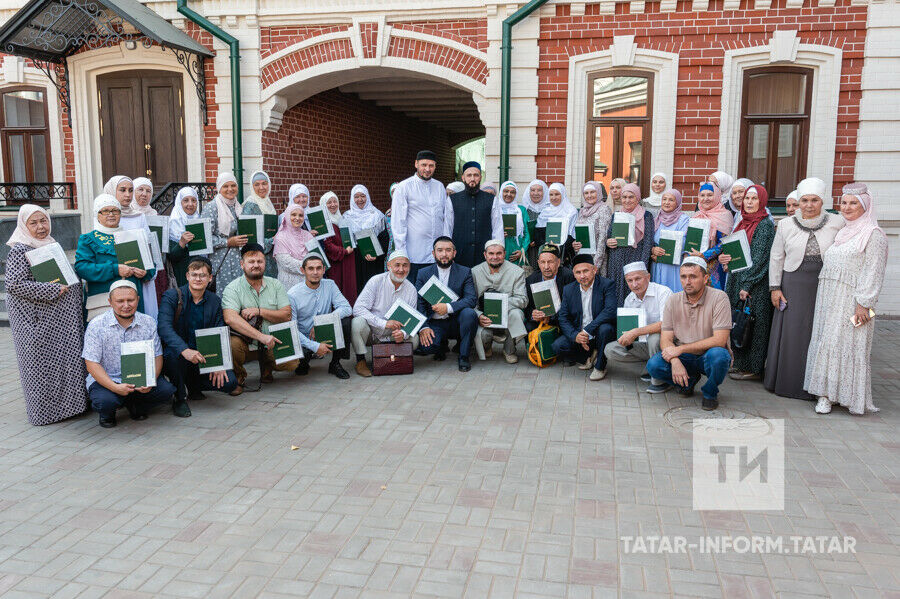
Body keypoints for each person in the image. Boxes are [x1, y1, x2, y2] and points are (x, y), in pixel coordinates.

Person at [804, 183, 888, 415]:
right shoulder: (843, 232)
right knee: (827, 341)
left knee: (847, 344)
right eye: (844, 203)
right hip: (829, 297)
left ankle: (839, 395)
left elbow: (874, 271)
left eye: (854, 203)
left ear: (866, 206)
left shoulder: (873, 234)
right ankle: (825, 393)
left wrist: (864, 303)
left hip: (852, 301)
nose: (847, 207)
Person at [6, 204, 87, 425]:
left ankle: (72, 407)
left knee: (66, 365)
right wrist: (51, 290)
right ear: (24, 225)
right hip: (38, 323)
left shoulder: (51, 244)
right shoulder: (19, 251)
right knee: (42, 370)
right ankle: (46, 413)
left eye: (43, 221)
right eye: (34, 223)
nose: (41, 227)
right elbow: (14, 285)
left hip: (62, 322)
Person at [765, 177, 844, 400]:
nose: (809, 205)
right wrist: (775, 287)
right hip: (793, 283)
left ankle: (819, 387)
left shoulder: (837, 223)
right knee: (793, 331)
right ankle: (789, 383)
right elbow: (776, 257)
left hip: (825, 283)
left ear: (823, 201)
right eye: (805, 200)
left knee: (819, 333)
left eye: (815, 200)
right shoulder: (786, 224)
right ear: (799, 202)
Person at [82, 281, 176, 428]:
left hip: (140, 379)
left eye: (130, 300)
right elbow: (91, 363)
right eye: (120, 301)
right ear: (110, 302)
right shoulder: (96, 325)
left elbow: (157, 355)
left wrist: (150, 381)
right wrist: (115, 387)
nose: (126, 305)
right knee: (105, 402)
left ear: (138, 299)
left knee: (166, 391)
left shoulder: (148, 322)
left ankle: (135, 404)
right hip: (109, 379)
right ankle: (108, 414)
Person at [646, 257, 732, 410]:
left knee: (720, 356)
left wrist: (679, 350)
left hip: (708, 355)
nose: (687, 281)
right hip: (683, 357)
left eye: (693, 276)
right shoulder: (673, 300)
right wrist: (675, 361)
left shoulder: (720, 298)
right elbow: (666, 339)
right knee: (653, 365)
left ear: (705, 278)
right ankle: (689, 381)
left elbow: (720, 340)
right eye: (683, 277)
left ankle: (710, 392)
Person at [158, 257, 239, 416]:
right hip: (177, 355)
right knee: (174, 356)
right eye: (194, 275)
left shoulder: (214, 300)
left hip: (203, 356)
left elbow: (219, 330)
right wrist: (184, 349)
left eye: (202, 275)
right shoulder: (172, 296)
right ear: (187, 276)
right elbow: (164, 328)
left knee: (229, 383)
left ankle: (194, 386)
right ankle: (179, 397)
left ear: (210, 278)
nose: (198, 279)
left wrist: (218, 363)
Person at [222, 243, 299, 392]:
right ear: (242, 264)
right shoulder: (232, 288)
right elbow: (230, 318)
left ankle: (267, 368)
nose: (256, 265)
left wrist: (259, 311)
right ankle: (239, 377)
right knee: (232, 345)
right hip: (247, 342)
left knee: (292, 364)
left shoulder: (276, 284)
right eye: (251, 262)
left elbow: (286, 315)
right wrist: (261, 337)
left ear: (265, 262)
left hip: (272, 340)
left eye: (260, 261)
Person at [722, 185, 775, 381]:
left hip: (755, 284)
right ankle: (740, 363)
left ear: (761, 201)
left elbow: (761, 259)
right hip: (738, 279)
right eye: (747, 198)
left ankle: (754, 368)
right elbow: (737, 251)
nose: (749, 202)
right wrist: (727, 261)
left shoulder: (764, 225)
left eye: (754, 199)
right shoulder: (742, 222)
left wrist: (747, 285)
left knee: (755, 324)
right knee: (740, 322)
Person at [75, 194, 155, 319]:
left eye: (115, 211)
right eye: (105, 211)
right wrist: (115, 269)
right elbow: (82, 268)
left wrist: (145, 272)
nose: (111, 214)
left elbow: (151, 267)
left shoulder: (134, 236)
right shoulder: (88, 239)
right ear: (98, 215)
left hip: (132, 302)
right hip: (103, 302)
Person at [604, 262, 673, 392]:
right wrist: (626, 336)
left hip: (666, 342)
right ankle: (650, 367)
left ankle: (660, 380)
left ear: (648, 277)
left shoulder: (663, 292)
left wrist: (635, 332)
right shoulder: (629, 300)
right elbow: (629, 328)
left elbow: (667, 324)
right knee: (610, 349)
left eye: (638, 279)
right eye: (630, 280)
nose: (634, 284)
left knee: (655, 338)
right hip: (643, 343)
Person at [414, 237, 478, 372]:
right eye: (440, 250)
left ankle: (464, 356)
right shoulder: (423, 273)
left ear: (454, 253)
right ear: (433, 253)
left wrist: (448, 307)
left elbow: (471, 299)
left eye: (448, 250)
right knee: (427, 348)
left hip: (456, 320)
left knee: (469, 314)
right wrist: (423, 327)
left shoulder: (465, 272)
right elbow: (419, 303)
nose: (444, 254)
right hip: (435, 322)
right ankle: (441, 345)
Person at [351, 250, 420, 377]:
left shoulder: (411, 290)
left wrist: (403, 334)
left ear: (409, 267)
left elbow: (412, 320)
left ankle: (392, 358)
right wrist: (384, 323)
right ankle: (361, 361)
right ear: (389, 266)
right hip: (371, 331)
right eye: (397, 265)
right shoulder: (376, 281)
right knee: (357, 322)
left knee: (414, 339)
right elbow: (358, 308)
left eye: (405, 265)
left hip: (392, 334)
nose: (401, 269)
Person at [390, 150, 452, 283]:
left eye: (431, 166)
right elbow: (398, 222)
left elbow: (445, 217)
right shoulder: (404, 187)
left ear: (435, 166)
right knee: (414, 293)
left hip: (437, 255)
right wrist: (401, 252)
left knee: (435, 295)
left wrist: (446, 246)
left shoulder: (439, 186)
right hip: (414, 254)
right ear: (416, 164)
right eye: (424, 165)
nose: (427, 169)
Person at [287, 254, 353, 380]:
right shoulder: (293, 294)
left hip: (324, 331)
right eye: (311, 269)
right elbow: (292, 328)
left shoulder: (330, 285)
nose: (315, 272)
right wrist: (315, 346)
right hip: (304, 336)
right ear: (303, 271)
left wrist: (322, 322)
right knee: (300, 367)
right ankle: (304, 362)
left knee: (345, 321)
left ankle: (335, 363)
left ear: (324, 269)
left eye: (318, 268)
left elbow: (347, 308)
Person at [552, 254, 617, 380]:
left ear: (594, 270)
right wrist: (575, 335)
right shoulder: (569, 289)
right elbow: (563, 317)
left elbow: (610, 311)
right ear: (574, 274)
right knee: (558, 346)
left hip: (598, 332)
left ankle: (600, 367)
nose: (582, 276)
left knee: (606, 329)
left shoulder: (607, 285)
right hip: (580, 333)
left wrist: (587, 330)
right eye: (578, 272)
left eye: (586, 271)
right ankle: (589, 355)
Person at [203, 172, 266, 297]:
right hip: (221, 261)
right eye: (225, 186)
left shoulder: (238, 206)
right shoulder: (212, 207)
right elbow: (204, 238)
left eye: (233, 185)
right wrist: (227, 242)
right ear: (219, 188)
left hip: (238, 260)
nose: (230, 189)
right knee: (225, 295)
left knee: (239, 295)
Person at [105, 175, 159, 318]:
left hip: (140, 276)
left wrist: (148, 270)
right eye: (122, 190)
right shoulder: (104, 218)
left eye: (130, 190)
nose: (127, 195)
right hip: (118, 276)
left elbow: (149, 248)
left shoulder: (139, 216)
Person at [471, 240, 528, 363]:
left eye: (499, 253)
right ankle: (487, 347)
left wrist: (498, 305)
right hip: (485, 317)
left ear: (504, 254)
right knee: (482, 334)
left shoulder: (517, 272)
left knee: (517, 314)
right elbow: (471, 300)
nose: (495, 257)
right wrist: (479, 315)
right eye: (491, 253)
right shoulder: (475, 272)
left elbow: (522, 300)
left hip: (508, 314)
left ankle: (509, 350)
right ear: (485, 255)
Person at [605, 182, 654, 306]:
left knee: (634, 292)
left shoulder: (646, 216)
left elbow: (648, 243)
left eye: (631, 197)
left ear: (637, 198)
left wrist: (641, 266)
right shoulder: (616, 215)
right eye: (624, 197)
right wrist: (608, 242)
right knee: (616, 294)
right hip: (616, 263)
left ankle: (635, 324)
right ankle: (617, 323)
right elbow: (609, 236)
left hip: (635, 260)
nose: (627, 200)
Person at [449, 161, 494, 268]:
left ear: (480, 177)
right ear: (463, 178)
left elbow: (497, 227)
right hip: (459, 253)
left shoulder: (492, 199)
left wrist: (495, 251)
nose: (472, 179)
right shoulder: (452, 200)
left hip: (484, 254)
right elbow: (448, 227)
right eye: (469, 175)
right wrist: (449, 252)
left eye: (476, 175)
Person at [689, 183, 734, 290]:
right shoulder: (697, 215)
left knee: (715, 300)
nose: (705, 199)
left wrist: (704, 255)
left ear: (717, 196)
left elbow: (725, 243)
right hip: (697, 265)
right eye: (702, 195)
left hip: (716, 267)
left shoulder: (725, 215)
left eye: (709, 195)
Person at [344, 184, 388, 291]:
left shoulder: (377, 215)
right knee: (357, 289)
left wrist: (377, 255)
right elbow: (344, 240)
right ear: (352, 198)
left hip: (373, 260)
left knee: (374, 289)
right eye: (356, 196)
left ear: (367, 197)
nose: (360, 199)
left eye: (363, 196)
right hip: (354, 260)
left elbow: (385, 239)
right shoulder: (346, 217)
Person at [524, 243, 574, 332]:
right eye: (543, 262)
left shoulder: (569, 277)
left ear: (558, 262)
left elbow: (572, 306)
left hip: (563, 320)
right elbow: (528, 307)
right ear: (538, 263)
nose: (546, 267)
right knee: (528, 327)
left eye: (550, 262)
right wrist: (533, 314)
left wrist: (551, 316)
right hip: (540, 321)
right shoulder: (531, 280)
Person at [320, 191, 357, 306]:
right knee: (337, 289)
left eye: (335, 201)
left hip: (348, 260)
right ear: (323, 205)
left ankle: (349, 315)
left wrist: (353, 244)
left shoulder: (342, 219)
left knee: (349, 288)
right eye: (329, 202)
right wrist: (344, 251)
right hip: (336, 262)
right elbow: (328, 245)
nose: (333, 205)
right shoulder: (323, 223)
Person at [650, 188, 690, 292]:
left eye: (671, 200)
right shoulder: (656, 219)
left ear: (677, 202)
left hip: (673, 266)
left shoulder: (683, 219)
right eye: (664, 199)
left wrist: (663, 253)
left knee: (673, 293)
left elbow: (684, 241)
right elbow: (650, 240)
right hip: (657, 264)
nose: (667, 203)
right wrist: (653, 249)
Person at [244, 170, 279, 277]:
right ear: (252, 186)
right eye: (257, 184)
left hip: (271, 258)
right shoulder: (250, 206)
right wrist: (271, 241)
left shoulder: (267, 202)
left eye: (264, 183)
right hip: (257, 260)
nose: (261, 188)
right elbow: (247, 237)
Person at [273, 202, 315, 290]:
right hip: (288, 285)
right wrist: (310, 267)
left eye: (300, 215)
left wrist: (311, 266)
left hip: (308, 283)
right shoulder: (280, 237)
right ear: (287, 216)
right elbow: (287, 263)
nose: (297, 218)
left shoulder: (308, 235)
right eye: (293, 215)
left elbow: (316, 255)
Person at [490, 181, 531, 270]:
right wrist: (498, 234)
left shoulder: (521, 210)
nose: (509, 194)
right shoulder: (495, 208)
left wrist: (522, 250)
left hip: (517, 251)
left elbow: (527, 233)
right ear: (501, 192)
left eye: (512, 192)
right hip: (498, 250)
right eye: (506, 191)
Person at [574, 181, 613, 275]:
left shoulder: (603, 209)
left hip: (597, 260)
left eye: (592, 192)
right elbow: (580, 234)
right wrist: (575, 245)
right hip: (583, 257)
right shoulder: (582, 211)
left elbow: (603, 238)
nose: (589, 195)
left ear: (599, 193)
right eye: (586, 193)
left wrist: (595, 265)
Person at [166, 186, 202, 287]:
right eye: (186, 200)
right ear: (179, 203)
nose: (190, 204)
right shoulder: (172, 224)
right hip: (181, 274)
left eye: (194, 200)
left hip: (199, 274)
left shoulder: (200, 220)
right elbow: (171, 257)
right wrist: (181, 243)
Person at [534, 183, 577, 263]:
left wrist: (558, 248)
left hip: (564, 256)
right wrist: (548, 248)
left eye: (557, 194)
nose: (553, 198)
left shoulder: (571, 212)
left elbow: (572, 235)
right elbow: (538, 236)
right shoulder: (545, 212)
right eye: (551, 195)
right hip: (545, 255)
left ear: (563, 195)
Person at [523, 179, 550, 269]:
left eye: (539, 190)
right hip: (528, 250)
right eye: (533, 190)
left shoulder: (550, 209)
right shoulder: (523, 210)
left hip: (546, 249)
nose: (536, 193)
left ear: (545, 192)